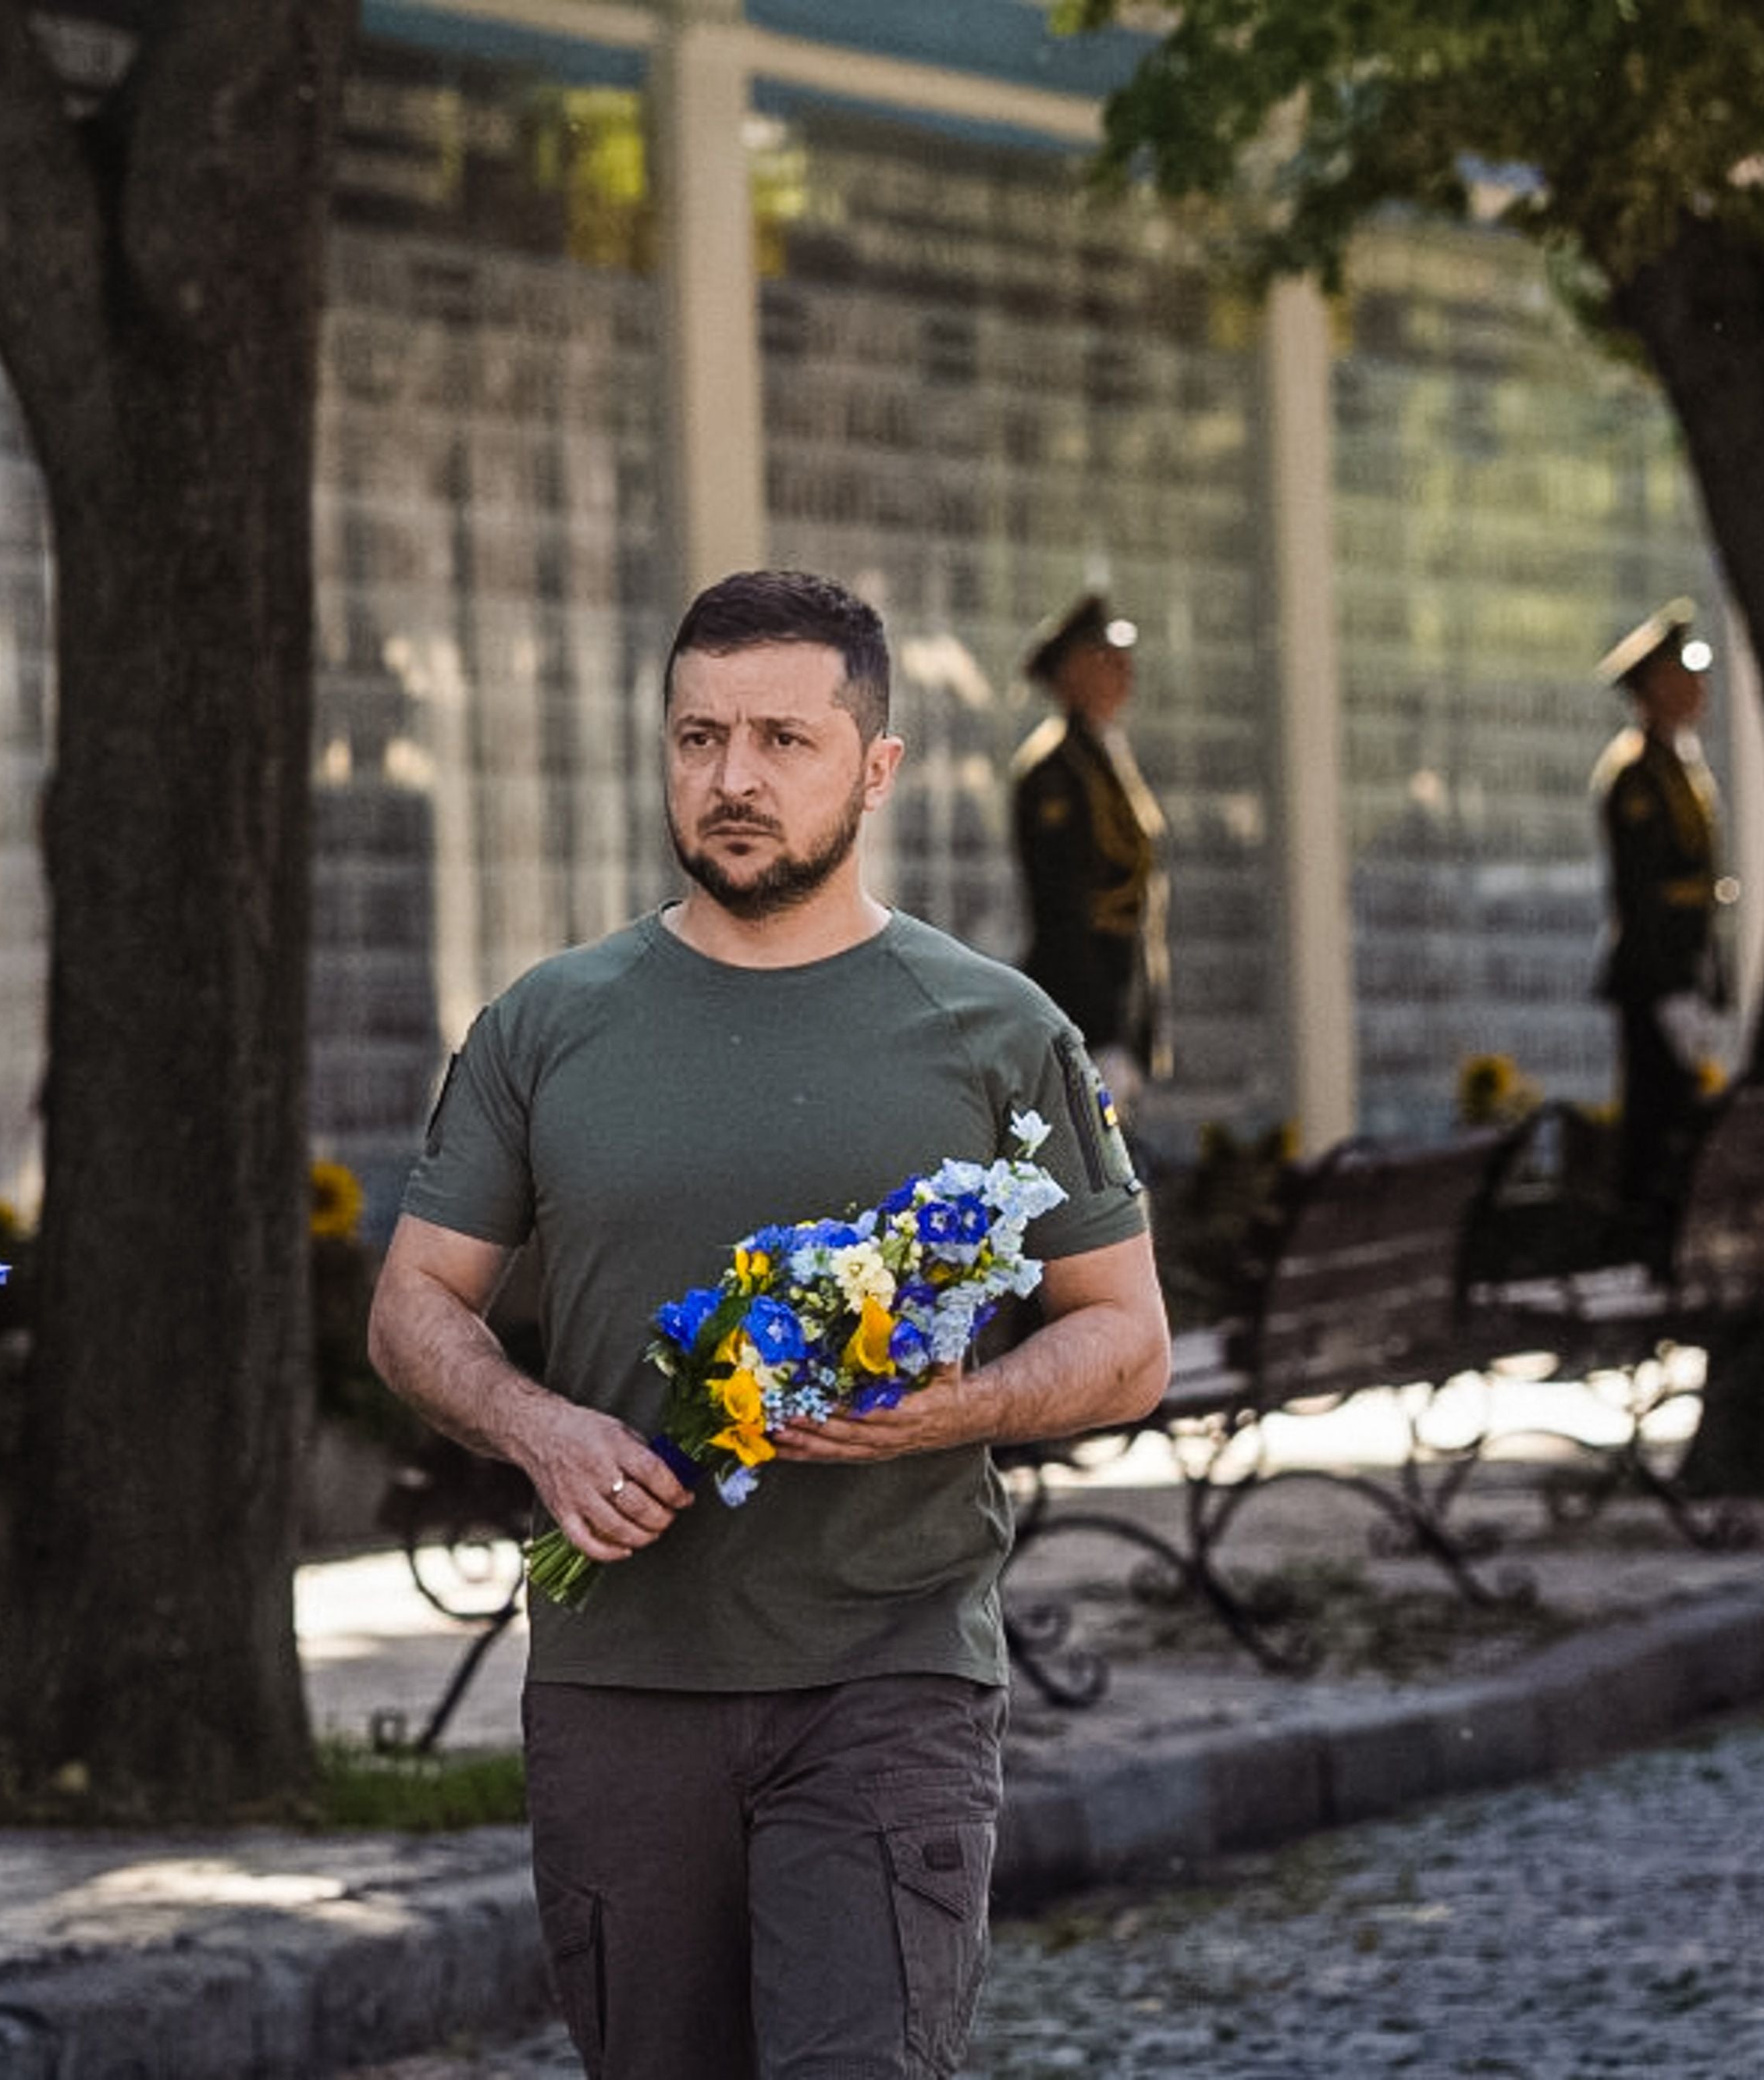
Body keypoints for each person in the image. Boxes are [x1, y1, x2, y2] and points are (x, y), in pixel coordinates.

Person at [367, 569, 1172, 2077]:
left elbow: (1125, 1338)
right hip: (620, 1688)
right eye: (698, 737)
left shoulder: (998, 1029)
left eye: (783, 741)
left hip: (891, 1669)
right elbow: (415, 1305)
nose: (733, 779)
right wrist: (540, 1429)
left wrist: (959, 1408)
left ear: (876, 768)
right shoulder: (548, 1022)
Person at [1591, 596, 1733, 1211]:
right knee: (1654, 1123)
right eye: (1684, 674)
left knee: (1680, 1119)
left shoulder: (1679, 767)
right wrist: (1672, 985)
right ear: (1654, 687)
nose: (1698, 686)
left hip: (1684, 971)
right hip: (1654, 978)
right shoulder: (1638, 775)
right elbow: (1645, 892)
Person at [1009, 590, 1168, 1111]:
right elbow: (1063, 910)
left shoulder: (1103, 756)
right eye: (1104, 657)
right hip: (1079, 1007)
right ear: (1071, 673)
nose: (1123, 669)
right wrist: (1097, 1034)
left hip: (1118, 1002)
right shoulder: (1055, 771)